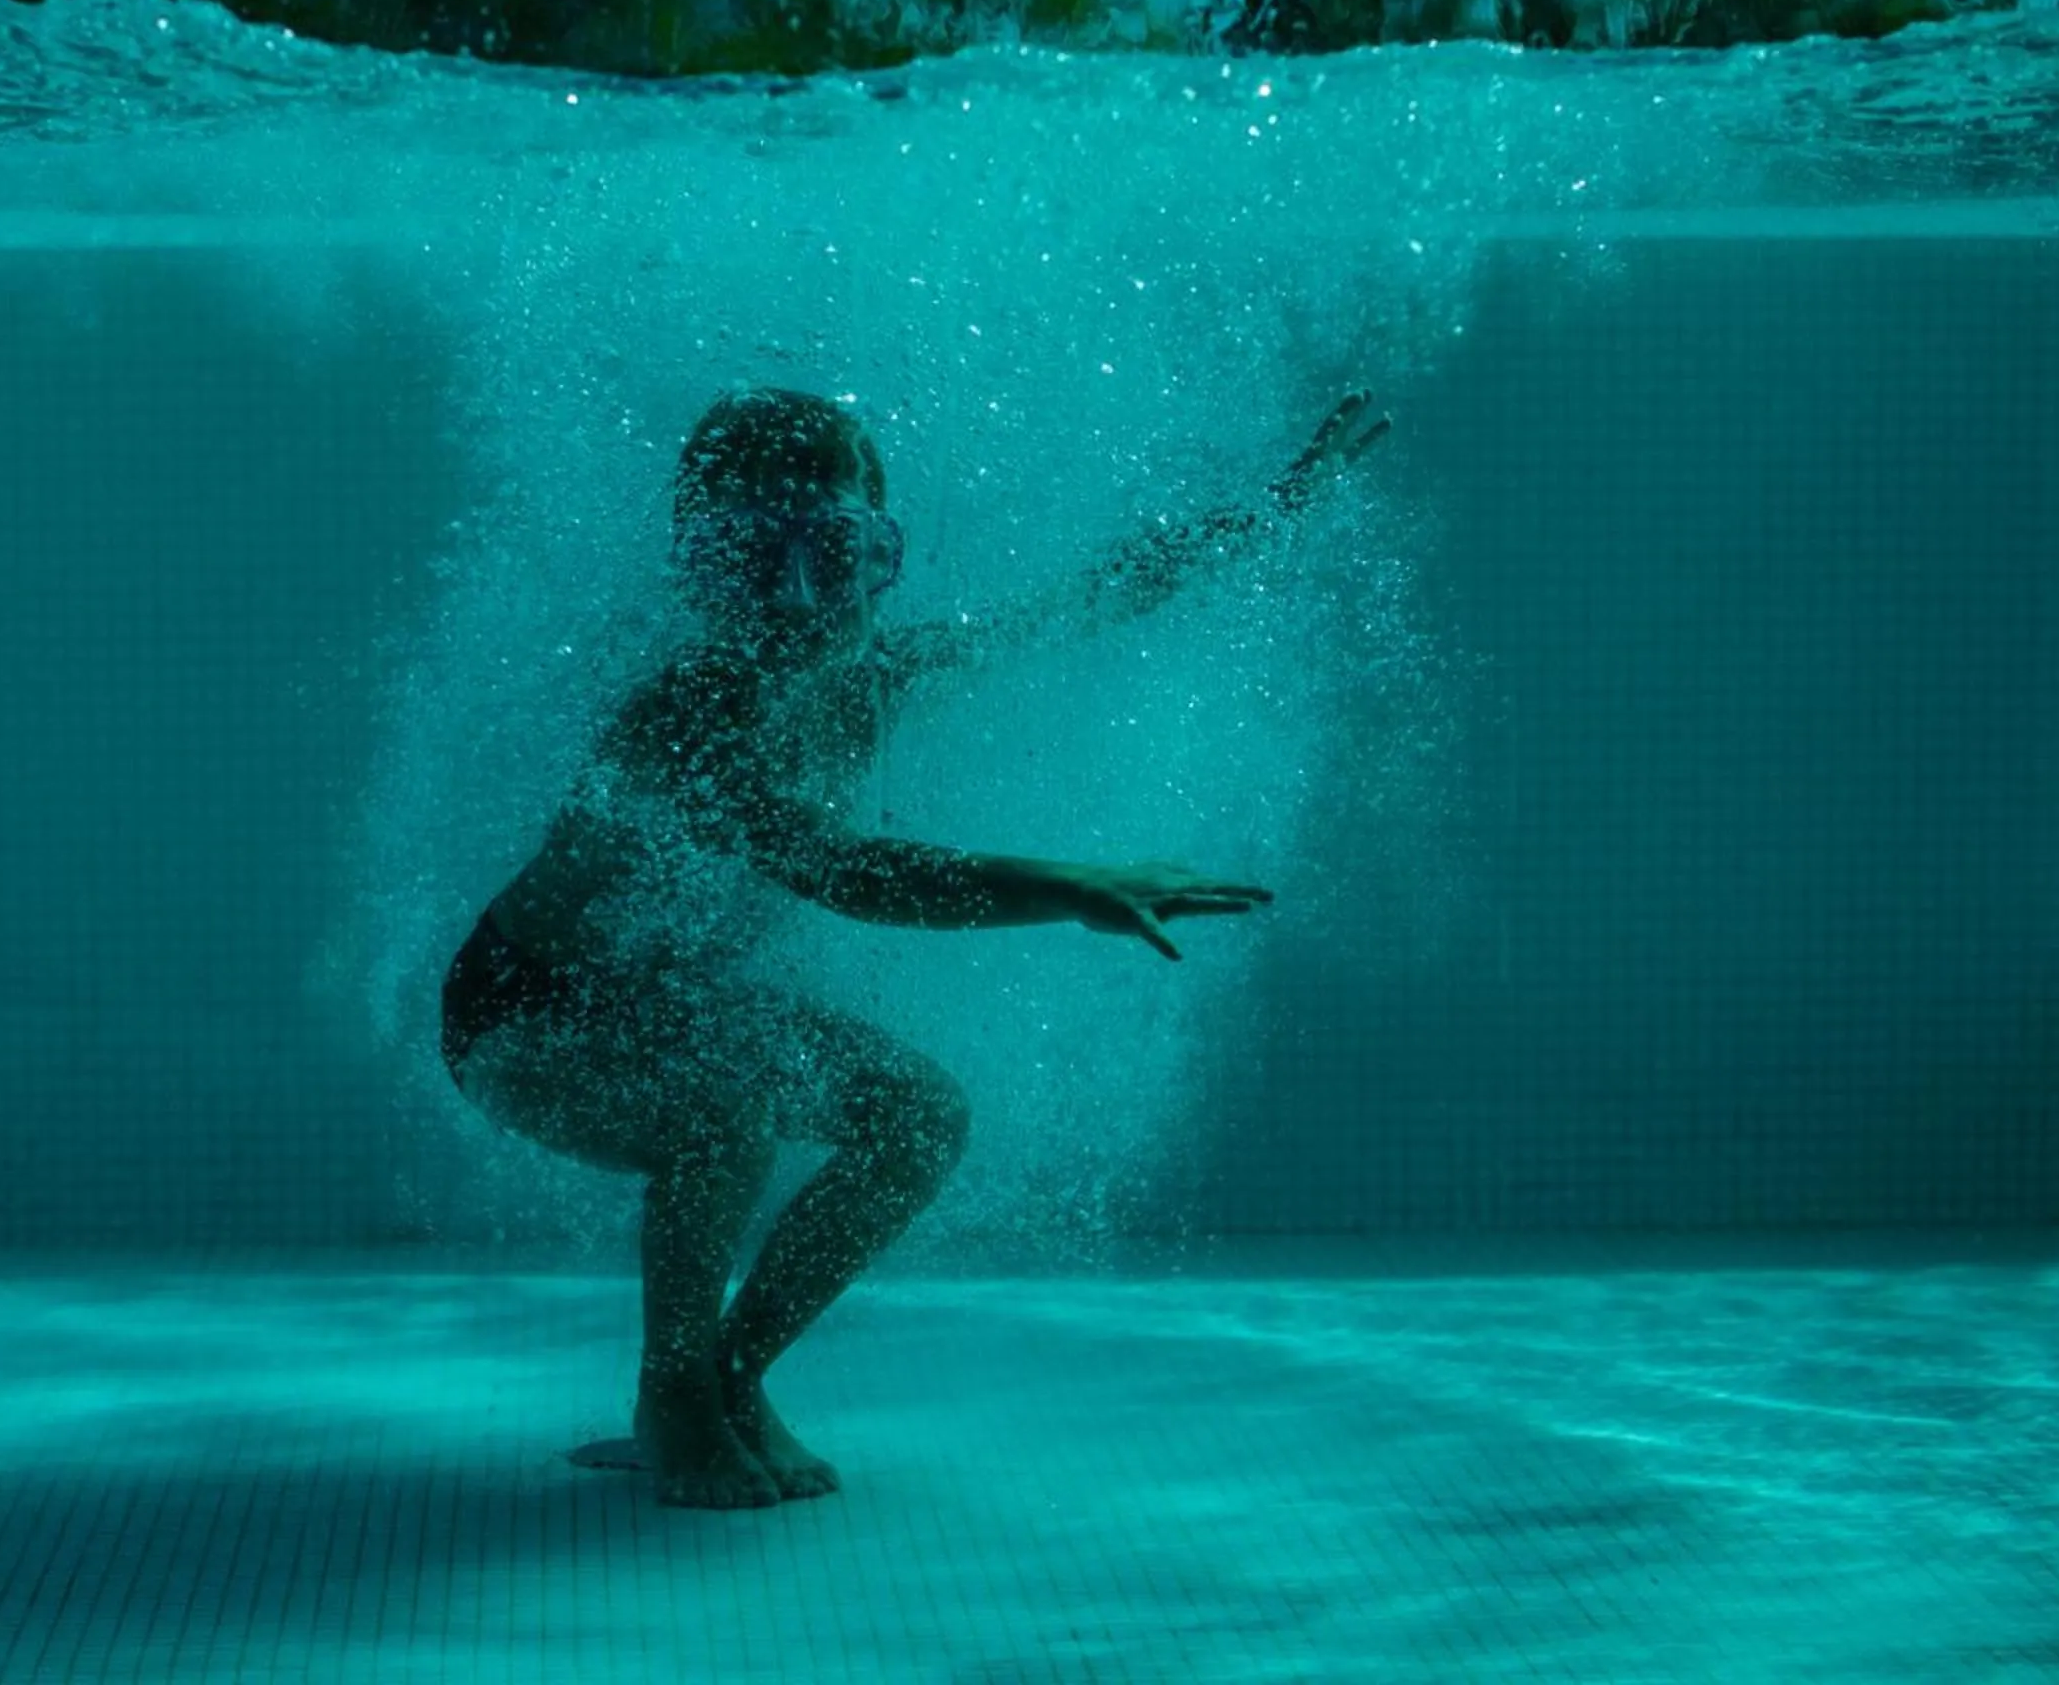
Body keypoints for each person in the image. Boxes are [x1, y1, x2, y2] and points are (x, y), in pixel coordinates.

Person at [442, 384, 1391, 1508]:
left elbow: (1097, 594)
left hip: (664, 997)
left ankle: (733, 1375)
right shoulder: (689, 707)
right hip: (525, 1006)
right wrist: (1070, 884)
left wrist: (1275, 511)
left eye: (832, 558)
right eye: (751, 562)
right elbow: (840, 871)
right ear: (697, 572)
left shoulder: (875, 681)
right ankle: (673, 1398)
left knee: (918, 1114)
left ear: (882, 554)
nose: (794, 598)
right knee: (722, 1121)